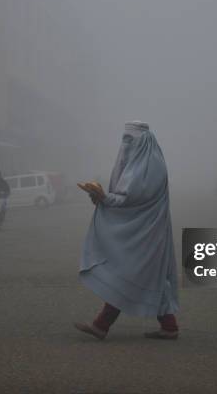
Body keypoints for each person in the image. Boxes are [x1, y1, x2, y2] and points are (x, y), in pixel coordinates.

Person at [74, 121, 179, 340]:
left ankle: (101, 325)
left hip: (148, 230)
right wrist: (102, 198)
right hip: (144, 229)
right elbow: (125, 197)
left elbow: (132, 198)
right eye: (124, 139)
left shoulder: (151, 165)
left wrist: (105, 198)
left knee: (128, 272)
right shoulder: (140, 162)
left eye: (129, 140)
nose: (125, 145)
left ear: (142, 141)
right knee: (150, 275)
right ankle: (169, 326)